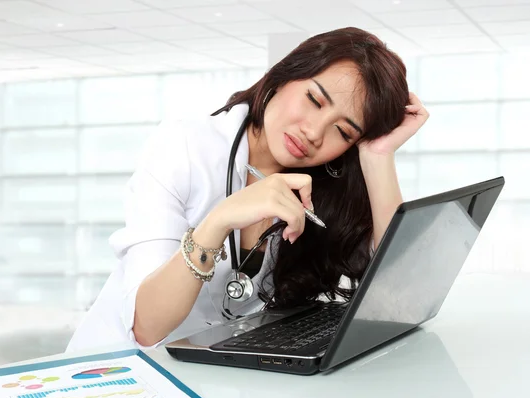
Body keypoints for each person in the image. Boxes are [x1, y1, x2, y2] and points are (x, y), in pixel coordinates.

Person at [66, 27, 429, 353]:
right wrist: (218, 222)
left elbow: (402, 301)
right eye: (315, 100)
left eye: (344, 132)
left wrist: (379, 156)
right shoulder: (183, 146)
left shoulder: (327, 189)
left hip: (214, 374)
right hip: (120, 372)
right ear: (284, 75)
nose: (315, 132)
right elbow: (146, 327)